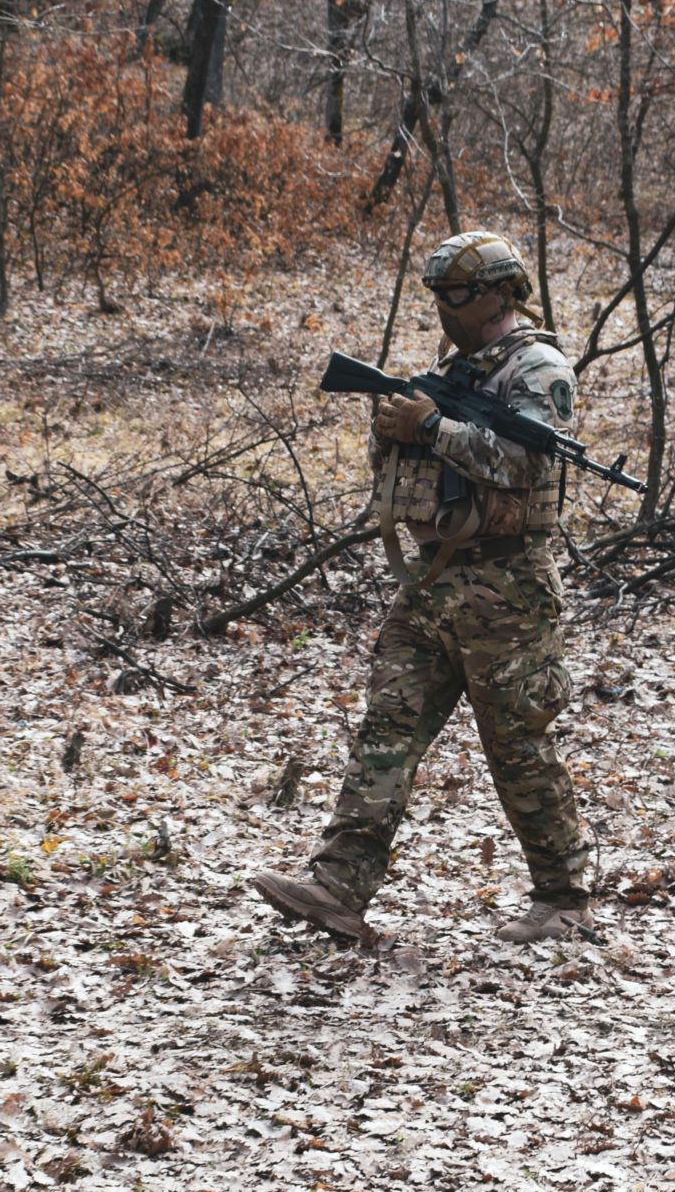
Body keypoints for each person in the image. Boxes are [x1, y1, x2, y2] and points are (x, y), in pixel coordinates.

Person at [251, 231, 594, 946]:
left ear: (500, 293)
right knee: (388, 725)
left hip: (508, 588)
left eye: (458, 295)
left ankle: (563, 896)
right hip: (435, 580)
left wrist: (432, 426)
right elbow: (412, 461)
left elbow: (526, 466)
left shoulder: (537, 368)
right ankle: (339, 884)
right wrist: (401, 430)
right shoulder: (455, 369)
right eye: (438, 295)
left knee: (517, 744)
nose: (446, 307)